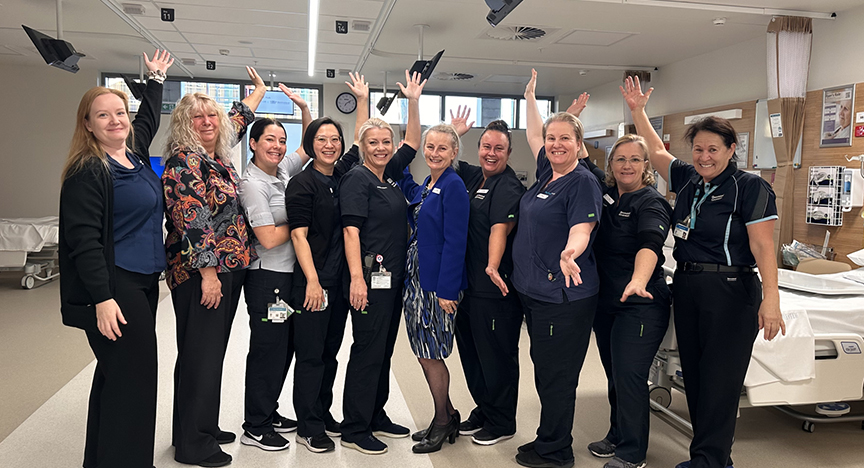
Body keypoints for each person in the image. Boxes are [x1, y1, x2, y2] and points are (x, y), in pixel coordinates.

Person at [621, 75, 785, 468]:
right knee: (693, 377)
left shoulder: (750, 188)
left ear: (732, 149)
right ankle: (706, 457)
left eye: (713, 148)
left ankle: (711, 462)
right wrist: (638, 112)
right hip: (690, 285)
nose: (704, 156)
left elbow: (764, 247)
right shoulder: (689, 180)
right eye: (698, 149)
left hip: (731, 290)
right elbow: (657, 151)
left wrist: (771, 300)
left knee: (720, 382)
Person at [58, 49, 173, 468]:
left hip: (143, 283)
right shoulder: (88, 170)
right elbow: (83, 242)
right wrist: (103, 298)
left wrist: (157, 80)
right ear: (87, 124)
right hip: (116, 286)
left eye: (119, 112)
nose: (116, 121)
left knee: (117, 378)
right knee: (136, 382)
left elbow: (147, 120)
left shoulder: (135, 155)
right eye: (103, 115)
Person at [162, 66, 267, 468]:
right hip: (202, 274)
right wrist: (208, 274)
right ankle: (194, 444)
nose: (207, 123)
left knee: (205, 354)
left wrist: (256, 93)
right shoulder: (184, 162)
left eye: (212, 116)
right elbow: (193, 220)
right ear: (184, 125)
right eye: (197, 118)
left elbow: (234, 121)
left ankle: (196, 426)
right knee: (201, 356)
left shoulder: (214, 156)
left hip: (227, 269)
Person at [512, 69, 603, 468]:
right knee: (545, 371)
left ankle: (556, 451)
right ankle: (549, 437)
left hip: (564, 297)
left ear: (580, 146)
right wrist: (530, 98)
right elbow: (534, 135)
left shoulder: (582, 182)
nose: (554, 144)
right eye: (552, 139)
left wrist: (571, 251)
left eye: (565, 138)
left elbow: (582, 228)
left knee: (557, 376)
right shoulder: (549, 171)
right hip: (537, 293)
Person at [284, 72, 377, 454]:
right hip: (313, 284)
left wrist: (362, 99)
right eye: (321, 139)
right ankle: (308, 425)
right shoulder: (302, 184)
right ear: (310, 144)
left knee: (329, 353)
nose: (329, 144)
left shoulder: (341, 175)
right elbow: (298, 235)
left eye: (333, 140)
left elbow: (359, 138)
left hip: (338, 284)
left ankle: (322, 413)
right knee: (310, 355)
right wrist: (312, 281)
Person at [339, 72, 425, 454]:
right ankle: (356, 428)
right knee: (367, 350)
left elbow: (413, 142)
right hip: (369, 279)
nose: (381, 147)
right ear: (362, 145)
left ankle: (375, 414)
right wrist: (357, 278)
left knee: (383, 349)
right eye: (373, 142)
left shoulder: (387, 177)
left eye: (385, 142)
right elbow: (351, 233)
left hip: (390, 280)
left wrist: (413, 100)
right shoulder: (358, 179)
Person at [437, 108, 526, 446]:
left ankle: (502, 421)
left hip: (495, 290)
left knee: (496, 356)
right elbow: (447, 161)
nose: (491, 153)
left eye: (498, 149)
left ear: (508, 152)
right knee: (472, 354)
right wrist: (454, 133)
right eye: (486, 147)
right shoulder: (477, 178)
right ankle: (486, 408)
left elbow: (499, 230)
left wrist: (491, 264)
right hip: (469, 288)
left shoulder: (508, 185)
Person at [584, 134, 672, 468]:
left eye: (635, 159)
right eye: (620, 159)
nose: (627, 165)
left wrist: (638, 280)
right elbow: (574, 157)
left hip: (641, 302)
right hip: (606, 302)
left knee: (630, 374)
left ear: (647, 166)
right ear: (611, 164)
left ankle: (632, 452)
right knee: (614, 373)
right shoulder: (604, 195)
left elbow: (650, 242)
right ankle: (617, 432)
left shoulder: (650, 202)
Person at [235, 84, 312, 451]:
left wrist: (303, 109)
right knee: (268, 350)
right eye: (270, 140)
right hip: (268, 280)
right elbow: (266, 237)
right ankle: (256, 424)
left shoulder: (280, 172)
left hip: (287, 277)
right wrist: (301, 226)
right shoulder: (253, 184)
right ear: (253, 143)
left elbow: (308, 148)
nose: (278, 146)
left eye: (282, 140)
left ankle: (268, 410)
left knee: (283, 349)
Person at [397, 123, 470, 454]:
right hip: (417, 279)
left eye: (442, 148)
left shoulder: (453, 186)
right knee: (422, 352)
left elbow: (457, 241)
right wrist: (400, 152)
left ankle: (443, 420)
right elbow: (406, 185)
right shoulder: (429, 183)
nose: (434, 153)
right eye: (430, 147)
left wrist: (447, 290)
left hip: (437, 286)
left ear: (454, 152)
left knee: (431, 355)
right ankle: (448, 413)